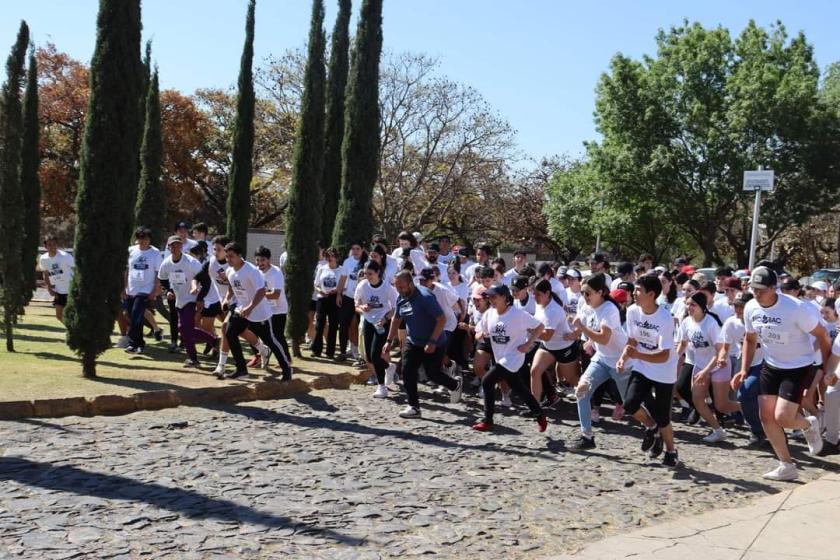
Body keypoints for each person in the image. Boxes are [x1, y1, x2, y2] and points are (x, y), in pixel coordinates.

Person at [739, 266, 831, 481]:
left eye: (761, 289)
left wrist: (826, 369)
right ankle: (786, 465)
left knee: (783, 417)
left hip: (798, 366)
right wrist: (744, 369)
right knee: (766, 416)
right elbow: (750, 339)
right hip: (771, 365)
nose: (757, 293)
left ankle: (809, 424)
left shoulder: (796, 308)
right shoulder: (751, 307)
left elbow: (823, 335)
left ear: (774, 288)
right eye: (753, 288)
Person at [616, 274, 680, 467]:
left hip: (664, 370)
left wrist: (638, 356)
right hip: (642, 367)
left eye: (638, 290)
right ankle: (651, 427)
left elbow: (664, 355)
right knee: (630, 404)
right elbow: (633, 340)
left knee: (663, 417)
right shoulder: (633, 311)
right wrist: (623, 358)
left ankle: (671, 450)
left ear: (651, 294)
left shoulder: (664, 319)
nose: (633, 293)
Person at [381, 271, 463, 418]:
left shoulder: (425, 297)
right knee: (407, 372)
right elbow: (396, 319)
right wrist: (388, 341)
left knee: (433, 374)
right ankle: (414, 407)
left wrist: (432, 341)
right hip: (413, 341)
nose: (399, 290)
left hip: (435, 341)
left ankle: (455, 385)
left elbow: (441, 319)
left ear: (411, 284)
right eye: (396, 287)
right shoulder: (401, 297)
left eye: (402, 287)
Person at [472, 284, 548, 432]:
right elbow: (478, 332)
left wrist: (528, 344)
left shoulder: (518, 314)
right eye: (489, 297)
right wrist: (479, 335)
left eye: (494, 297)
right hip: (500, 357)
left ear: (505, 298)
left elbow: (540, 327)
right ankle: (539, 414)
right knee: (519, 387)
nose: (491, 300)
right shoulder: (489, 313)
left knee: (487, 381)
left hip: (514, 357)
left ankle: (488, 420)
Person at [569, 273, 629, 449]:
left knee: (631, 404)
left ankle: (653, 428)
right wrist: (576, 331)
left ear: (601, 292)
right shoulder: (587, 306)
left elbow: (604, 338)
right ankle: (587, 436)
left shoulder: (610, 309)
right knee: (581, 392)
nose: (585, 297)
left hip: (621, 361)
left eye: (588, 293)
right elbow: (582, 323)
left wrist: (583, 329)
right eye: (582, 293)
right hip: (601, 359)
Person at [222, 242, 292, 380]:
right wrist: (226, 299)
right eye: (227, 257)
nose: (228, 259)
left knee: (271, 341)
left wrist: (250, 307)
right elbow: (232, 287)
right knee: (229, 333)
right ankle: (241, 369)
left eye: (231, 256)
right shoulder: (229, 271)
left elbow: (261, 291)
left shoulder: (251, 270)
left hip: (260, 313)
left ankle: (287, 369)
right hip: (242, 310)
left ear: (239, 256)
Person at [677, 292, 740, 443]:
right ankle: (718, 430)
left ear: (702, 307)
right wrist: (673, 359)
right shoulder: (686, 322)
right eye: (688, 304)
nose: (689, 307)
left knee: (722, 405)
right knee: (697, 399)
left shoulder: (710, 323)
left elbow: (719, 351)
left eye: (693, 305)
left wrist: (706, 372)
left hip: (719, 365)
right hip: (700, 365)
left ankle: (751, 407)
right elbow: (683, 344)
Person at [158, 236, 217, 368]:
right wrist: (168, 290)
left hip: (193, 299)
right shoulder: (166, 263)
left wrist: (200, 298)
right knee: (185, 329)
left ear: (182, 247)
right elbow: (162, 279)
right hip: (179, 300)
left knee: (184, 328)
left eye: (178, 245)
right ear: (168, 248)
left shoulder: (191, 262)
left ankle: (194, 358)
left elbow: (205, 280)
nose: (175, 248)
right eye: (172, 246)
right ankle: (213, 341)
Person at [721, 292, 766, 446]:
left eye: (742, 306)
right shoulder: (731, 323)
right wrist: (722, 357)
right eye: (736, 306)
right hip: (745, 361)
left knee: (750, 393)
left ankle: (765, 429)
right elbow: (725, 347)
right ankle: (757, 429)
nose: (738, 310)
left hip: (765, 361)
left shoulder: (760, 321)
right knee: (743, 395)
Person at [355, 260, 398, 398]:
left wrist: (386, 318)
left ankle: (381, 387)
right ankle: (389, 367)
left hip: (382, 322)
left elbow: (396, 307)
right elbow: (356, 304)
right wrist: (363, 308)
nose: (367, 276)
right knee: (368, 356)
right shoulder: (362, 286)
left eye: (370, 273)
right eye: (366, 273)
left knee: (375, 354)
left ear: (378, 272)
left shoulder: (387, 288)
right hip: (368, 321)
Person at [124, 227, 162, 353]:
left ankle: (133, 343)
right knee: (133, 316)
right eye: (140, 239)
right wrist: (124, 287)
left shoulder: (155, 253)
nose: (143, 241)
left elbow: (158, 273)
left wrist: (154, 290)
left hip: (146, 289)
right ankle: (138, 344)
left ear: (149, 239)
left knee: (136, 314)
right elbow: (126, 270)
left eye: (146, 239)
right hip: (131, 288)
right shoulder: (131, 250)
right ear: (137, 239)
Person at [255, 246, 292, 368]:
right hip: (264, 309)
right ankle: (262, 355)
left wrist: (259, 295)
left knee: (278, 335)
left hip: (278, 309)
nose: (260, 263)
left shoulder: (276, 272)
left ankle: (287, 359)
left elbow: (276, 295)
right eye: (258, 260)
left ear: (269, 260)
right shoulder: (256, 272)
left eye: (263, 260)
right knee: (261, 334)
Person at [311, 248, 347, 359]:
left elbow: (344, 286)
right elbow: (316, 284)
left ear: (336, 257)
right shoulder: (321, 268)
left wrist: (336, 291)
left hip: (335, 299)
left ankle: (330, 351)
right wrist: (320, 291)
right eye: (327, 256)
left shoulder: (341, 270)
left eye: (331, 256)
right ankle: (316, 350)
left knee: (333, 325)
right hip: (322, 298)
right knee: (319, 324)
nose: (329, 258)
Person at [38, 236, 75, 325]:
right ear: (45, 247)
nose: (52, 247)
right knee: (59, 316)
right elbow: (45, 273)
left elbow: (77, 269)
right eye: (49, 245)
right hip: (59, 291)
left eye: (54, 244)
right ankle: (72, 331)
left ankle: (76, 332)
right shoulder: (43, 258)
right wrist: (49, 288)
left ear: (57, 245)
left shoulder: (65, 256)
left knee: (74, 314)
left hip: (71, 290)